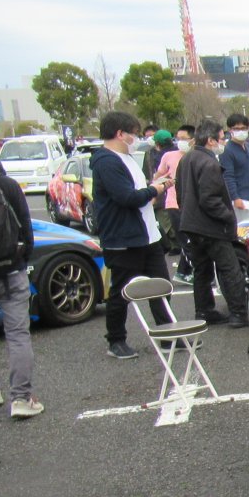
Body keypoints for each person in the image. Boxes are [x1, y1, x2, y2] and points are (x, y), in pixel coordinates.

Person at [90, 110, 172, 360]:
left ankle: (167, 334)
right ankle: (116, 340)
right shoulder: (106, 161)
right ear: (120, 134)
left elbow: (138, 191)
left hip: (147, 235)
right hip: (123, 239)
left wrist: (154, 185)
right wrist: (155, 188)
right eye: (134, 134)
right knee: (122, 292)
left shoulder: (126, 158)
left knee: (161, 286)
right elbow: (126, 197)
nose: (137, 139)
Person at [176, 119, 247, 327]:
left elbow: (181, 193)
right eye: (221, 138)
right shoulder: (209, 163)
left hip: (191, 224)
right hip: (211, 226)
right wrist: (228, 216)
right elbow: (210, 199)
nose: (222, 142)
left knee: (202, 269)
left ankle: (204, 310)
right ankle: (238, 312)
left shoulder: (187, 159)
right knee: (230, 268)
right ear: (210, 140)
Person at [0, 160, 41, 417]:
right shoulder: (8, 186)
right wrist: (23, 261)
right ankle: (21, 399)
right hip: (11, 269)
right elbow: (26, 228)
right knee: (17, 335)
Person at [152, 125, 194, 282]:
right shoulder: (169, 156)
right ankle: (198, 273)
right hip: (174, 205)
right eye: (179, 138)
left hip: (192, 206)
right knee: (187, 242)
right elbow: (157, 176)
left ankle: (182, 272)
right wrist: (159, 187)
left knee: (191, 241)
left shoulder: (195, 155)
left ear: (193, 140)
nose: (180, 142)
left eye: (184, 139)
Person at [220, 113, 249, 216]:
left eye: (243, 128)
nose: (240, 131)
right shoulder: (227, 150)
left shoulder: (247, 147)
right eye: (236, 129)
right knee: (244, 230)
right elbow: (228, 177)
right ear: (230, 130)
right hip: (240, 200)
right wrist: (235, 198)